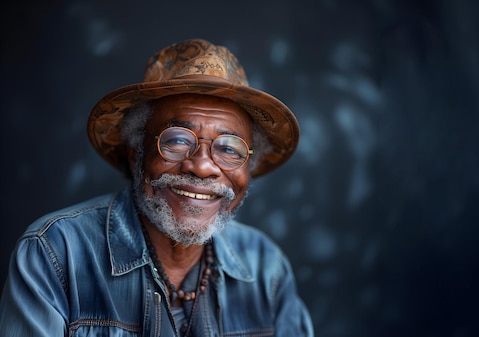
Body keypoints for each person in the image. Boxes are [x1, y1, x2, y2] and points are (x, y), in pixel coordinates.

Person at [0, 38, 314, 336]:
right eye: (177, 140)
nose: (202, 167)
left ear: (248, 167)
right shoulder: (55, 253)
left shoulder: (266, 268)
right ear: (136, 152)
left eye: (229, 149)